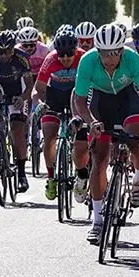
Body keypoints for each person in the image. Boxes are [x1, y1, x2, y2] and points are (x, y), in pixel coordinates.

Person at [73, 22, 139, 245]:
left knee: (137, 141)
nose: (108, 59)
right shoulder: (87, 61)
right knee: (99, 159)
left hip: (128, 99)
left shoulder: (132, 59)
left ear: (121, 50)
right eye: (103, 53)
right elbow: (80, 101)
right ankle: (98, 220)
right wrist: (91, 122)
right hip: (101, 103)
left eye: (113, 53)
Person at [33, 29, 88, 202]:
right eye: (61, 55)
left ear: (75, 50)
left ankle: (83, 172)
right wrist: (43, 104)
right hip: (55, 95)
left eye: (69, 54)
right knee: (49, 134)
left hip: (78, 95)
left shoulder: (84, 58)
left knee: (82, 138)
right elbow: (39, 88)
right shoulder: (50, 59)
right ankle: (51, 177)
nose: (65, 58)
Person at [0, 27, 33, 194]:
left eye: (7, 51)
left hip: (18, 88)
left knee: (17, 131)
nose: (3, 55)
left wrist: (23, 98)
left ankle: (22, 173)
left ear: (13, 49)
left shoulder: (22, 58)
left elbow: (30, 85)